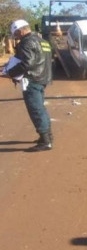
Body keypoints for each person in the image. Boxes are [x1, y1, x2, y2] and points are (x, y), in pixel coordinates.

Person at [7, 19, 53, 152]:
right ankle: (47, 136)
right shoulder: (43, 41)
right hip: (42, 78)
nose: (16, 36)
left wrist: (11, 72)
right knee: (41, 109)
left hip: (31, 80)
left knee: (36, 110)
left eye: (15, 33)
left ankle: (46, 142)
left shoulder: (26, 42)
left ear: (21, 30)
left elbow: (27, 63)